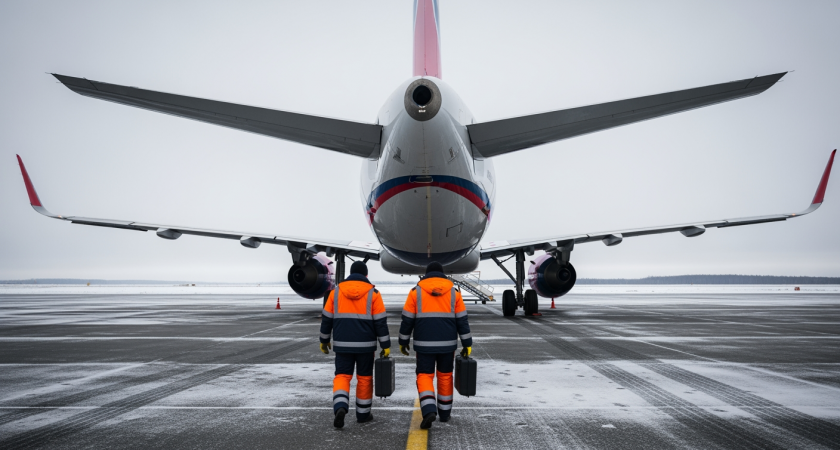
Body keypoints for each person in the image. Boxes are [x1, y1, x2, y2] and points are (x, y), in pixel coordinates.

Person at [398, 261, 472, 429]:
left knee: (424, 376)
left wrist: (403, 341)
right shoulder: (454, 293)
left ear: (426, 274)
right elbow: (462, 321)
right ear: (442, 274)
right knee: (445, 376)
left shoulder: (415, 292)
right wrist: (467, 343)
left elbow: (407, 320)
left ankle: (429, 409)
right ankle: (444, 414)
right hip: (448, 345)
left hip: (424, 345)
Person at [319, 260, 390, 428]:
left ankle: (340, 407)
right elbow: (380, 322)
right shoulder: (373, 293)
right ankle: (363, 414)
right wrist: (385, 345)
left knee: (342, 376)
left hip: (342, 345)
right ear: (366, 275)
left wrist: (324, 340)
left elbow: (326, 319)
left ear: (350, 274)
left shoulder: (335, 293)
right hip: (366, 346)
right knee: (364, 378)